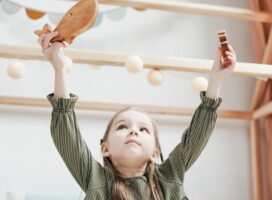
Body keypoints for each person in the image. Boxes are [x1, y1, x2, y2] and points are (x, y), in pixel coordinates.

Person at [38, 31, 236, 200]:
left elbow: (195, 138)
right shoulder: (96, 180)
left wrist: (216, 81)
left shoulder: (168, 178)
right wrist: (59, 68)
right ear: (105, 148)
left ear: (155, 153)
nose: (133, 131)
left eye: (143, 129)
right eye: (122, 127)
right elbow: (67, 134)